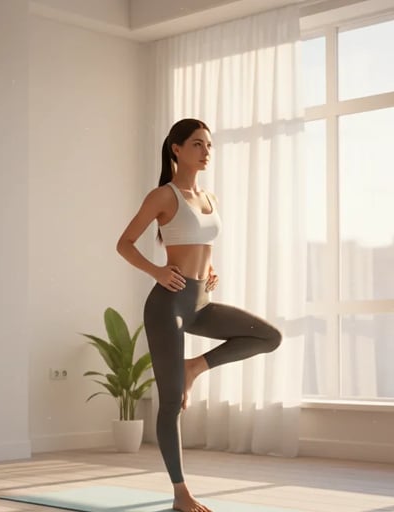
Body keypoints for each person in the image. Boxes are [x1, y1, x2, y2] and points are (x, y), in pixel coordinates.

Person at [116, 118, 282, 512]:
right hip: (168, 306)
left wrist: (209, 270)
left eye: (208, 145)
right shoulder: (163, 196)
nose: (206, 151)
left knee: (268, 336)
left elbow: (200, 244)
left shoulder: (210, 197)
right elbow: (124, 244)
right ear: (176, 149)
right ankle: (181, 493)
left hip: (200, 302)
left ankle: (195, 367)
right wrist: (157, 271)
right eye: (197, 144)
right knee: (171, 403)